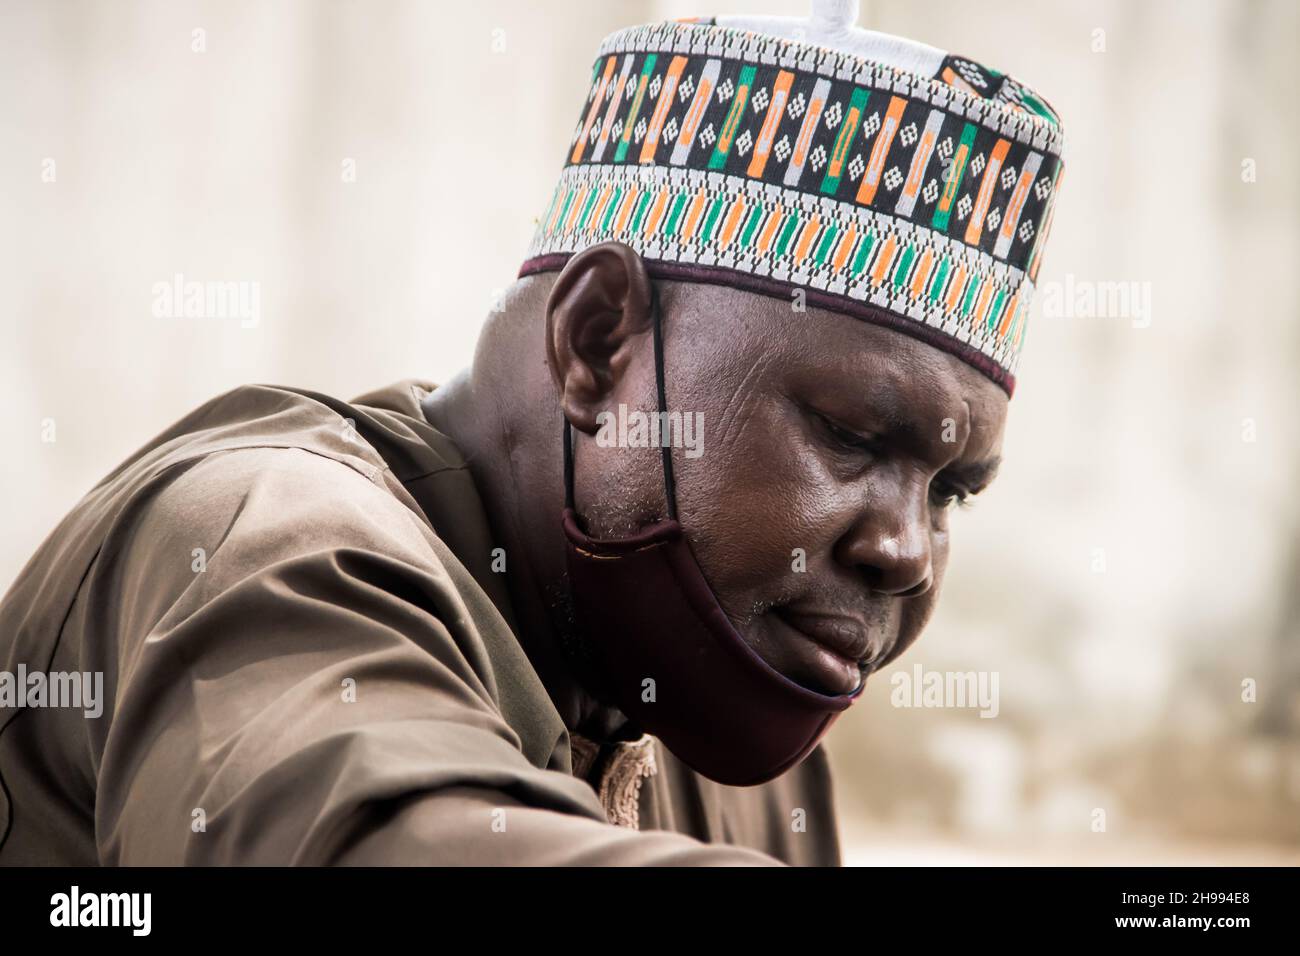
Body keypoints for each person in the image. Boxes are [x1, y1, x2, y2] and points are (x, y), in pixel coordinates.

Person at [0, 0, 1064, 865]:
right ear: (597, 340)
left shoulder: (716, 724)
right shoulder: (264, 539)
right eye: (849, 435)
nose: (905, 549)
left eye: (952, 490)